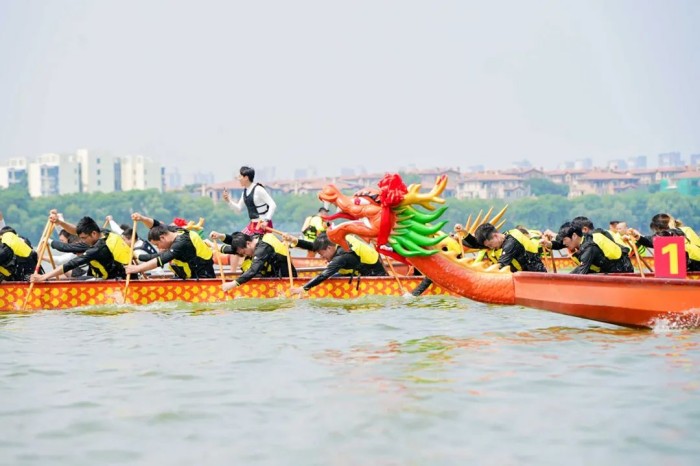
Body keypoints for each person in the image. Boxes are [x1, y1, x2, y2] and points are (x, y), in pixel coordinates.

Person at [30, 215, 130, 282]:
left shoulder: (97, 249)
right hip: (120, 275)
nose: (82, 241)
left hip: (114, 280)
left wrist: (43, 277)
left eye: (84, 238)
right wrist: (59, 222)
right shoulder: (103, 232)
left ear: (93, 234)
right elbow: (76, 231)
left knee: (74, 280)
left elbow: (70, 264)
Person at [287, 232, 386, 296]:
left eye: (321, 254)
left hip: (373, 275)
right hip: (358, 271)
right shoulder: (335, 242)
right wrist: (295, 241)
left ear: (329, 248)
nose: (321, 257)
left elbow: (324, 275)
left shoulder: (341, 256)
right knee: (329, 277)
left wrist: (303, 288)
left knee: (326, 277)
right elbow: (315, 246)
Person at [125, 213, 216, 279]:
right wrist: (142, 218)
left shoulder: (181, 243)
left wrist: (137, 269)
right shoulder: (173, 230)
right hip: (189, 278)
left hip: (202, 279)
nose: (158, 248)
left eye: (157, 244)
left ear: (162, 238)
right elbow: (155, 224)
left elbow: (160, 260)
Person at [210, 230, 297, 292]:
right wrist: (220, 236)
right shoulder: (253, 239)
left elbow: (253, 270)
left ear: (248, 243)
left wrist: (232, 284)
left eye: (244, 252)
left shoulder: (263, 248)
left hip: (285, 279)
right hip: (271, 274)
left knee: (250, 266)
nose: (245, 255)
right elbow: (235, 243)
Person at [222, 166, 276, 236]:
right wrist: (228, 201)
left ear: (246, 177)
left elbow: (273, 205)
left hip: (263, 225)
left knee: (245, 241)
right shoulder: (245, 192)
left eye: (240, 176)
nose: (238, 179)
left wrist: (266, 220)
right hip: (252, 225)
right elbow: (238, 208)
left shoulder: (258, 189)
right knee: (238, 239)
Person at [558, 225, 633, 274]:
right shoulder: (585, 239)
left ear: (574, 236)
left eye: (565, 239)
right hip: (610, 271)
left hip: (622, 271)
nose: (564, 243)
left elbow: (581, 273)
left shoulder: (589, 247)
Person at [473, 223, 547, 272]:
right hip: (521, 277)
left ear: (495, 236)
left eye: (490, 245)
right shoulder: (505, 235)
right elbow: (477, 245)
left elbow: (500, 266)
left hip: (535, 276)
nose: (491, 248)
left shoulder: (511, 243)